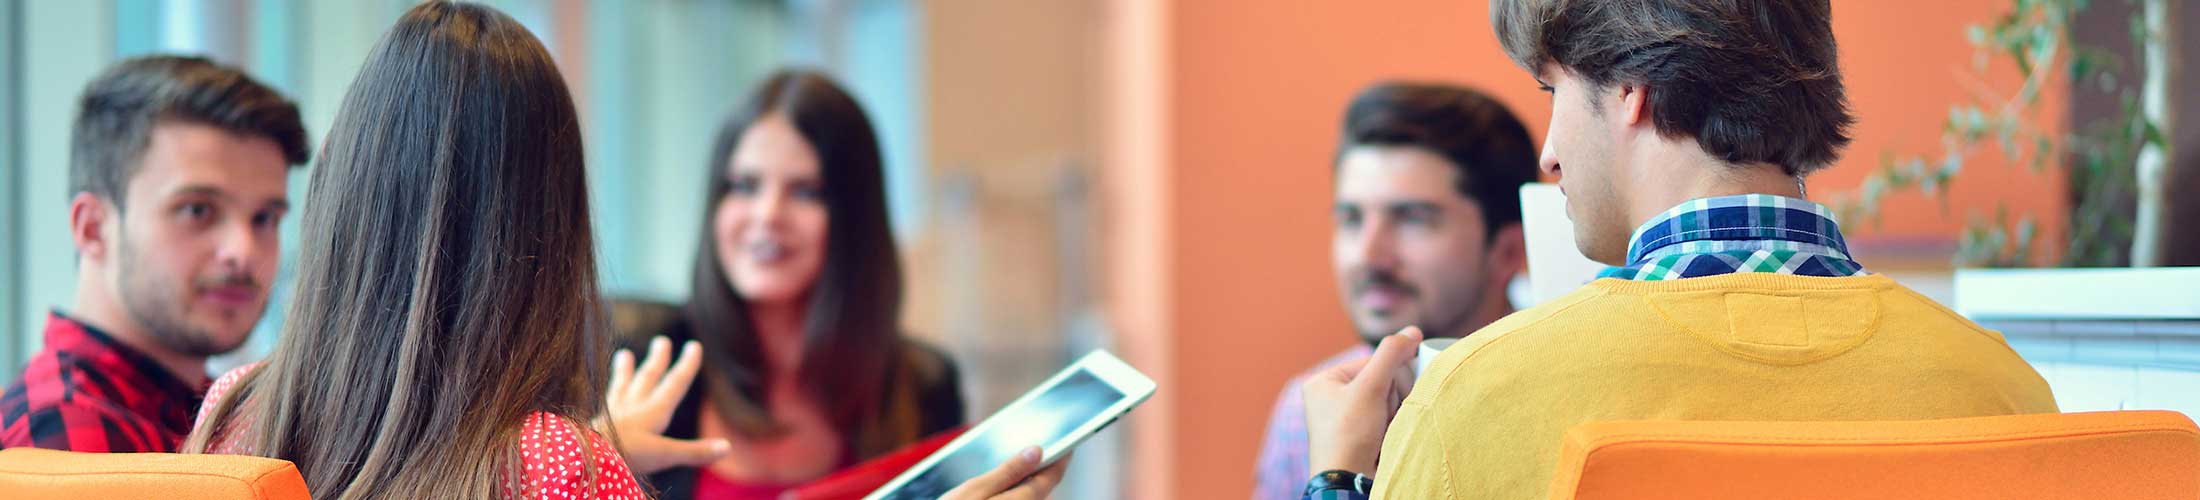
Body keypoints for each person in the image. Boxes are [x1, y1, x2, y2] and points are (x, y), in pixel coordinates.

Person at [1300, 1, 2061, 499]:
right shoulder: (2000, 389)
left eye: (1552, 93)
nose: (1550, 155)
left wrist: (1338, 477)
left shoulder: (1476, 397)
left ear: (1631, 87)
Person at [621, 68, 969, 500]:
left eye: (806, 191)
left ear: (855, 219)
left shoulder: (923, 387)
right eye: (744, 186)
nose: (767, 214)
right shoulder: (637, 366)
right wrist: (594, 460)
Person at [0, 55, 308, 453]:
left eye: (265, 217)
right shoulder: (64, 434)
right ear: (93, 228)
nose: (243, 251)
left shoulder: (213, 412)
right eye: (198, 209)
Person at [1251, 82, 1535, 499]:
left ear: (1509, 249)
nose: (1369, 255)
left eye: (1412, 219)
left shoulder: (1565, 398)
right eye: (1350, 219)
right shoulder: (1307, 413)